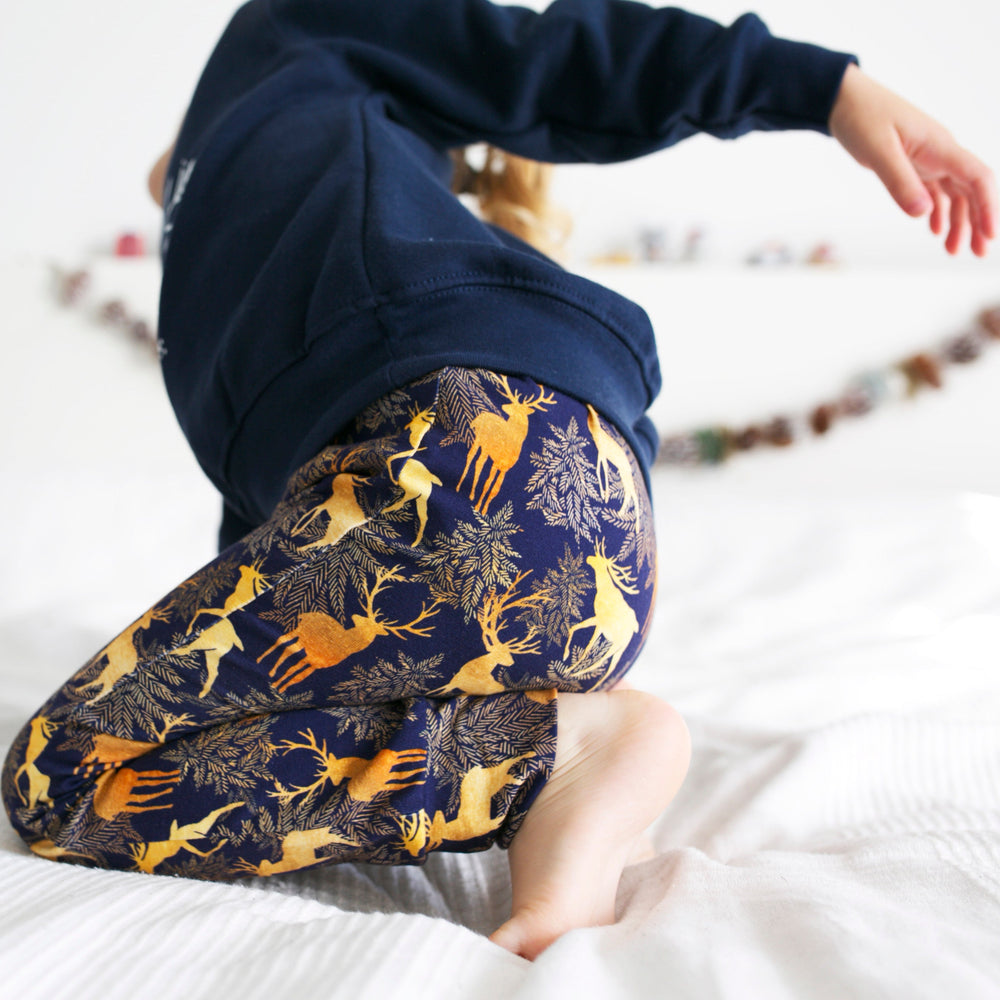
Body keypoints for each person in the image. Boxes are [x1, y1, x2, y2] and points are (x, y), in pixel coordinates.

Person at [3, 0, 995, 963]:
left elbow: (554, 54)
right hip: (598, 554)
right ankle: (548, 755)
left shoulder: (295, 28)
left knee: (62, 777)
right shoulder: (271, 272)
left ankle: (541, 761)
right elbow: (270, 572)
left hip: (463, 463)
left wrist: (824, 90)